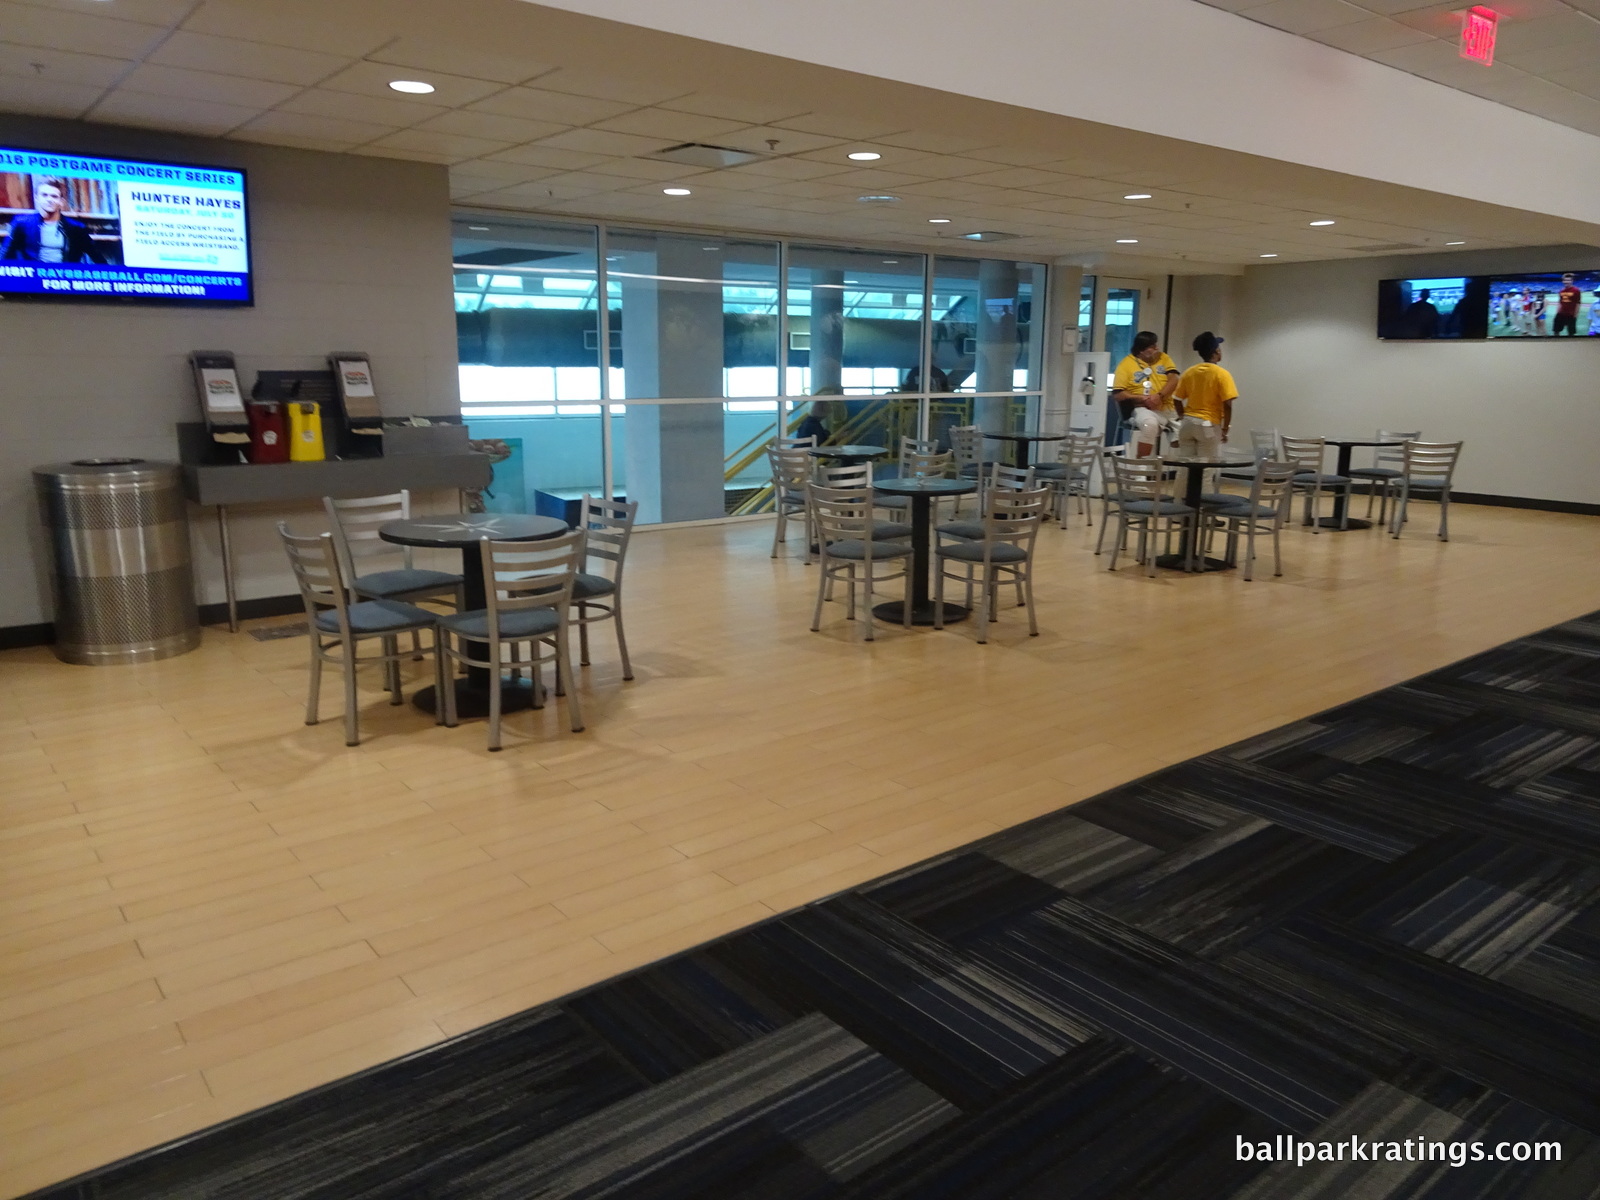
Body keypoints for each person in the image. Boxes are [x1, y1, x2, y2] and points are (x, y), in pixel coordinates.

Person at [1173, 331, 1237, 488]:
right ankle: (1202, 508)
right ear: (1216, 352)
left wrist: (1182, 415)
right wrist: (1225, 428)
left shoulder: (1190, 372)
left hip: (1187, 424)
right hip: (1208, 426)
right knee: (1206, 470)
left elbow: (1176, 399)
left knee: (1184, 468)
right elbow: (1227, 404)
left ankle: (1179, 506)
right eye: (1219, 348)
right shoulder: (1222, 374)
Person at [0, 178, 104, 264]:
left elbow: (97, 257)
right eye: (44, 195)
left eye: (54, 196)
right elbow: (5, 254)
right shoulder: (22, 223)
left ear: (61, 202)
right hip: (33, 282)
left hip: (65, 281)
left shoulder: (76, 228)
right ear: (37, 198)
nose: (49, 199)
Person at [1110, 331, 1179, 446]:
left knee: (1189, 432)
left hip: (1167, 408)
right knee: (1150, 425)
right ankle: (1141, 458)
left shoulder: (1163, 357)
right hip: (1141, 409)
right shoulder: (1125, 365)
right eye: (1152, 346)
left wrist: (1159, 396)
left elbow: (1174, 379)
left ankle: (1175, 461)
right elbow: (1118, 394)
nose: (1157, 348)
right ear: (1141, 349)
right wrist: (1142, 398)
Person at [1553, 273, 1581, 337]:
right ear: (1563, 281)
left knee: (1571, 333)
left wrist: (1575, 315)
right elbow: (1560, 302)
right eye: (1565, 280)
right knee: (1556, 331)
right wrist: (1557, 312)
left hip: (1571, 315)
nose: (1566, 282)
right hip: (1560, 314)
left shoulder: (1576, 290)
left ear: (1572, 281)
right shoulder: (1561, 291)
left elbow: (1578, 303)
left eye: (1568, 280)